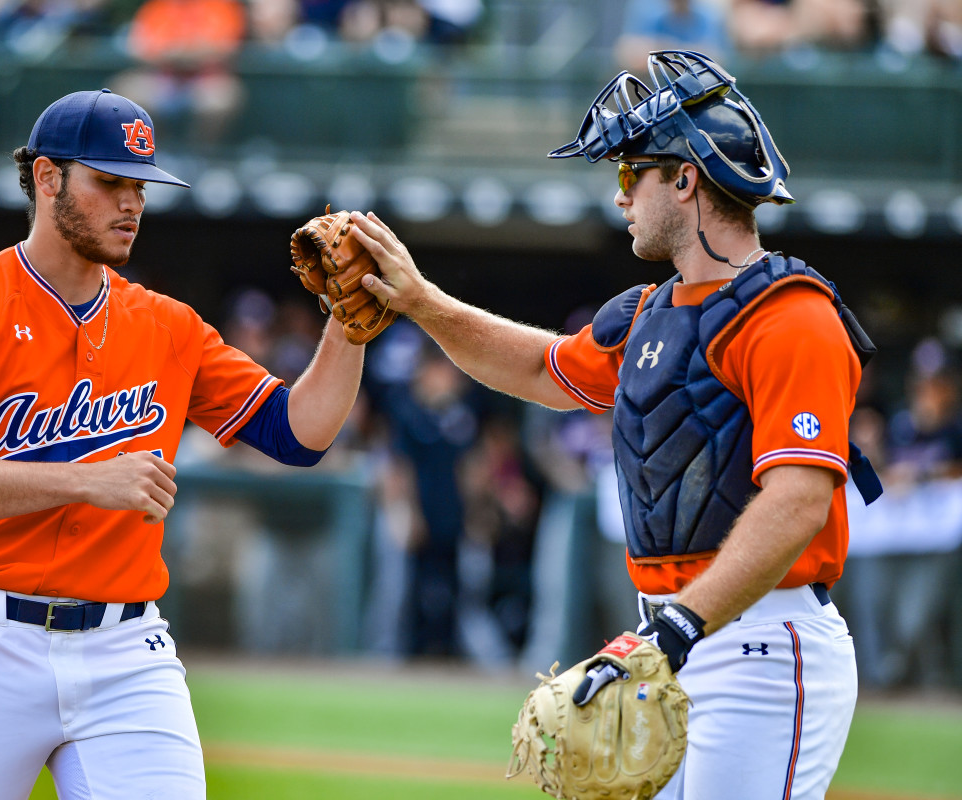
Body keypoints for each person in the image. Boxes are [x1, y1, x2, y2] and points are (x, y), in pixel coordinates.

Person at [347, 50, 882, 800]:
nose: (621, 193)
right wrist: (422, 302)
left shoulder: (792, 317)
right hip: (677, 639)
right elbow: (540, 370)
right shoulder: (650, 313)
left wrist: (676, 631)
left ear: (686, 178)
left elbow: (797, 501)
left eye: (634, 173)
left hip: (763, 643)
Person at [0, 88, 364, 799]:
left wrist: (346, 324)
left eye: (139, 186)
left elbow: (297, 435)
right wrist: (82, 479)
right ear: (47, 178)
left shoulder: (166, 324)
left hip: (125, 649)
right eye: (109, 182)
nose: (131, 203)